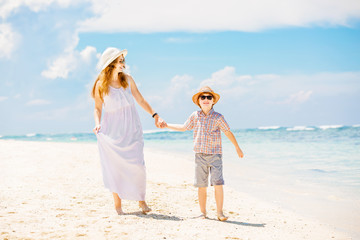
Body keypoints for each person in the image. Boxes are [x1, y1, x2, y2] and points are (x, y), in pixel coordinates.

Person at [91, 47, 164, 215]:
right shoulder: (100, 85)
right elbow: (97, 108)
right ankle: (118, 205)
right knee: (114, 166)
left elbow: (140, 99)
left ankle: (141, 201)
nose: (123, 63)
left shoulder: (128, 80)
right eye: (120, 60)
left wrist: (155, 115)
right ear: (111, 63)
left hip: (132, 128)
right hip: (112, 130)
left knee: (138, 164)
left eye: (123, 60)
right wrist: (97, 123)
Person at [164, 86, 244, 221]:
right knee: (201, 186)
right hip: (199, 156)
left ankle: (220, 212)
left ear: (213, 101)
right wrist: (167, 125)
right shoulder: (195, 116)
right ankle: (203, 213)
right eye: (203, 97)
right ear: (199, 101)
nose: (206, 99)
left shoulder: (218, 117)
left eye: (209, 97)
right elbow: (184, 127)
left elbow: (228, 132)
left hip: (215, 156)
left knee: (218, 183)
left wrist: (237, 147)